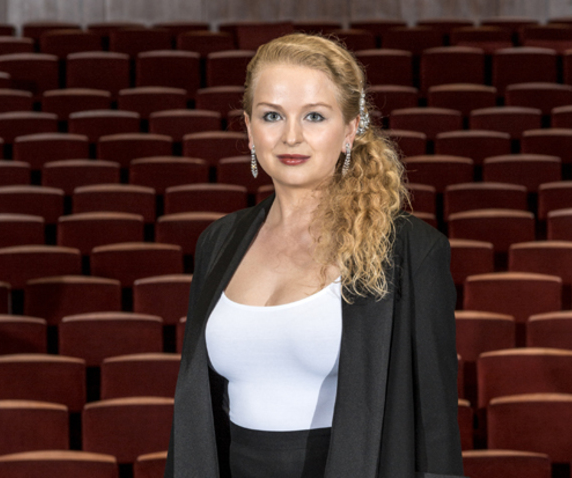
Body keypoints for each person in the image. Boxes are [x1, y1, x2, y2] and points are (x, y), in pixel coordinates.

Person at [165, 33, 465, 478]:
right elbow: (196, 412)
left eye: (314, 116)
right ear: (249, 128)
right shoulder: (218, 242)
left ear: (350, 129)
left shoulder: (410, 250)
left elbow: (435, 429)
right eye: (272, 115)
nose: (291, 136)